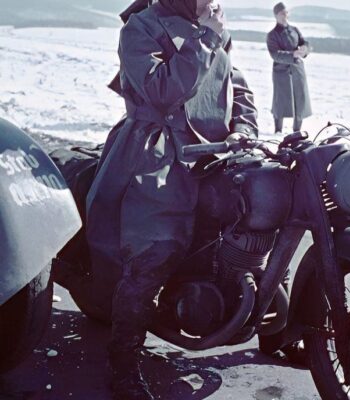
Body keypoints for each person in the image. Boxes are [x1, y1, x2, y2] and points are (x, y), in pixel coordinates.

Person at [85, 1, 258, 399]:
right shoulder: (142, 27)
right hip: (156, 153)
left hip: (213, 154)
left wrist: (243, 127)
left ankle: (279, 327)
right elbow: (162, 91)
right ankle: (124, 362)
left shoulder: (212, 25)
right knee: (155, 251)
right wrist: (206, 37)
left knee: (254, 223)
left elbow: (236, 84)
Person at [267, 2, 312, 134]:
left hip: (298, 69)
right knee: (280, 101)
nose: (285, 15)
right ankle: (278, 130)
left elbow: (304, 43)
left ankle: (297, 130)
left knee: (300, 99)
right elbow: (275, 54)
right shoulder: (272, 34)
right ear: (276, 15)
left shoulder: (295, 30)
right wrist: (292, 55)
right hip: (281, 71)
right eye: (282, 13)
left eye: (286, 12)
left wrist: (305, 49)